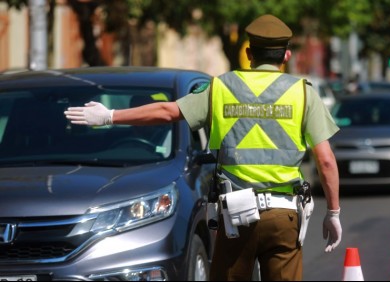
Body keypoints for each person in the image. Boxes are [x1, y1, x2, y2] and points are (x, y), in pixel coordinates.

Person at [65, 14, 341, 281]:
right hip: (284, 215)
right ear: (286, 55)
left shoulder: (221, 87)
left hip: (236, 216)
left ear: (248, 52)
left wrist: (110, 116)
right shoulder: (304, 93)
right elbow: (326, 161)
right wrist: (333, 213)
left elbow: (166, 111)